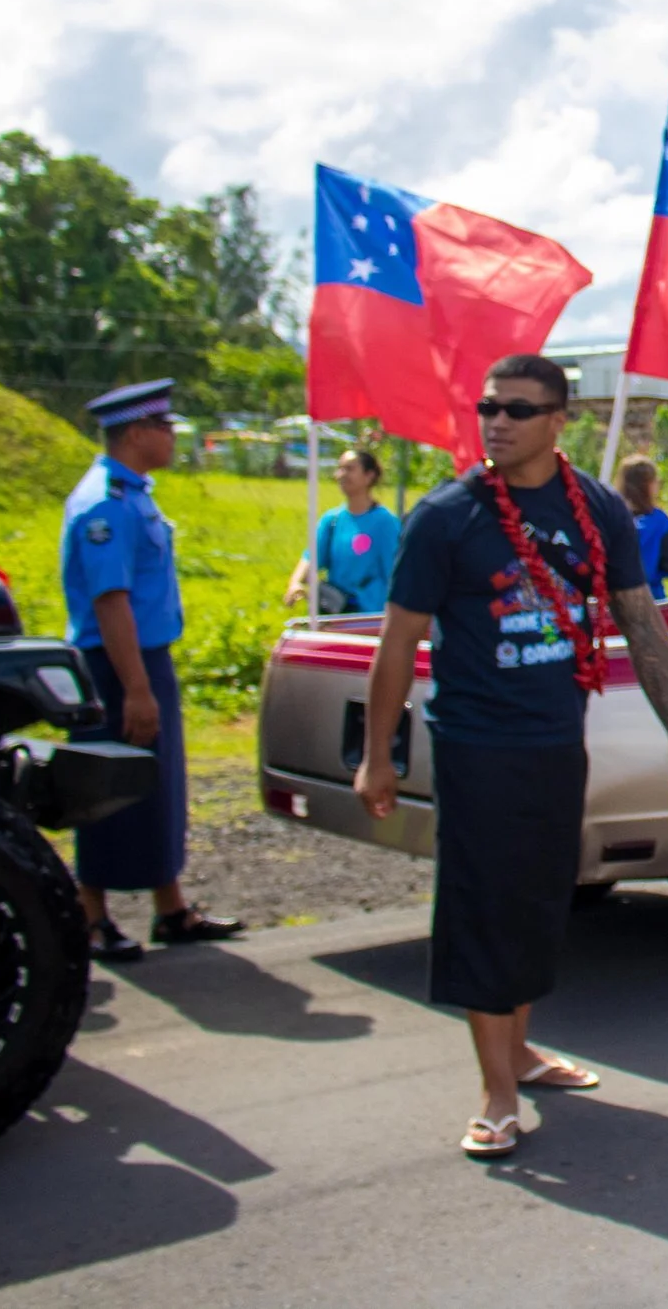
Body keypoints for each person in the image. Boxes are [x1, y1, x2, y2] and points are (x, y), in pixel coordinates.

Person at [356, 354, 668, 1160]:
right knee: (483, 903)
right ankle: (497, 1089)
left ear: (559, 419)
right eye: (488, 407)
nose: (498, 422)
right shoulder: (447, 516)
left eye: (517, 409)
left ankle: (518, 1049)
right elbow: (398, 639)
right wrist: (378, 755)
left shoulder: (593, 507)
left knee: (538, 899)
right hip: (478, 743)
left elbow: (637, 615)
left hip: (556, 738)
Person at [61, 380, 243, 962]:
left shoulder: (132, 491)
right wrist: (136, 689)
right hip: (118, 667)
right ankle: (92, 916)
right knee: (107, 789)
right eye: (164, 428)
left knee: (157, 785)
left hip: (143, 660)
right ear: (136, 434)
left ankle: (170, 907)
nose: (171, 437)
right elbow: (110, 602)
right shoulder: (106, 503)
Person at [283, 446, 400, 614]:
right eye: (340, 468)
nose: (342, 475)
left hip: (369, 618)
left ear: (369, 476)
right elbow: (311, 557)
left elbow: (396, 575)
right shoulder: (332, 521)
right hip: (336, 614)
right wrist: (295, 583)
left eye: (350, 469)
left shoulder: (385, 523)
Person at [616, 453, 668, 598]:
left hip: (614, 598)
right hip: (651, 597)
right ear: (649, 485)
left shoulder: (611, 518)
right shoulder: (659, 521)